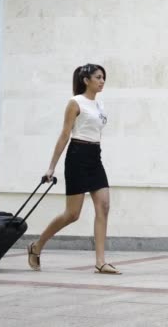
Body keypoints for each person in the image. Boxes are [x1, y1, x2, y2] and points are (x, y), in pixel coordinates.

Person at [26, 63, 120, 275]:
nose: (102, 81)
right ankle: (37, 245)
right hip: (77, 156)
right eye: (98, 77)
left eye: (103, 77)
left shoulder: (99, 105)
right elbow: (64, 135)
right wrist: (51, 168)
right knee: (72, 214)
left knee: (103, 206)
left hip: (95, 156)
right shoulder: (75, 102)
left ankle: (100, 262)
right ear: (86, 80)